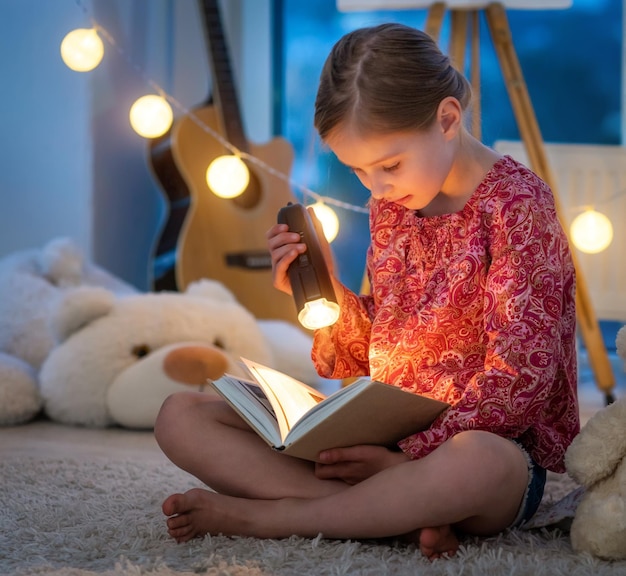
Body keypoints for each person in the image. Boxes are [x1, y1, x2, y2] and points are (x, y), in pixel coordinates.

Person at [154, 22, 579, 560]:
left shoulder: (518, 206)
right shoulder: (394, 204)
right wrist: (328, 297)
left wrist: (412, 458)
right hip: (384, 438)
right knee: (182, 415)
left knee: (477, 462)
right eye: (356, 170)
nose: (377, 188)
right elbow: (382, 344)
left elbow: (522, 378)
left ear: (447, 120)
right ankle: (392, 517)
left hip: (485, 447)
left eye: (389, 165)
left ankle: (284, 517)